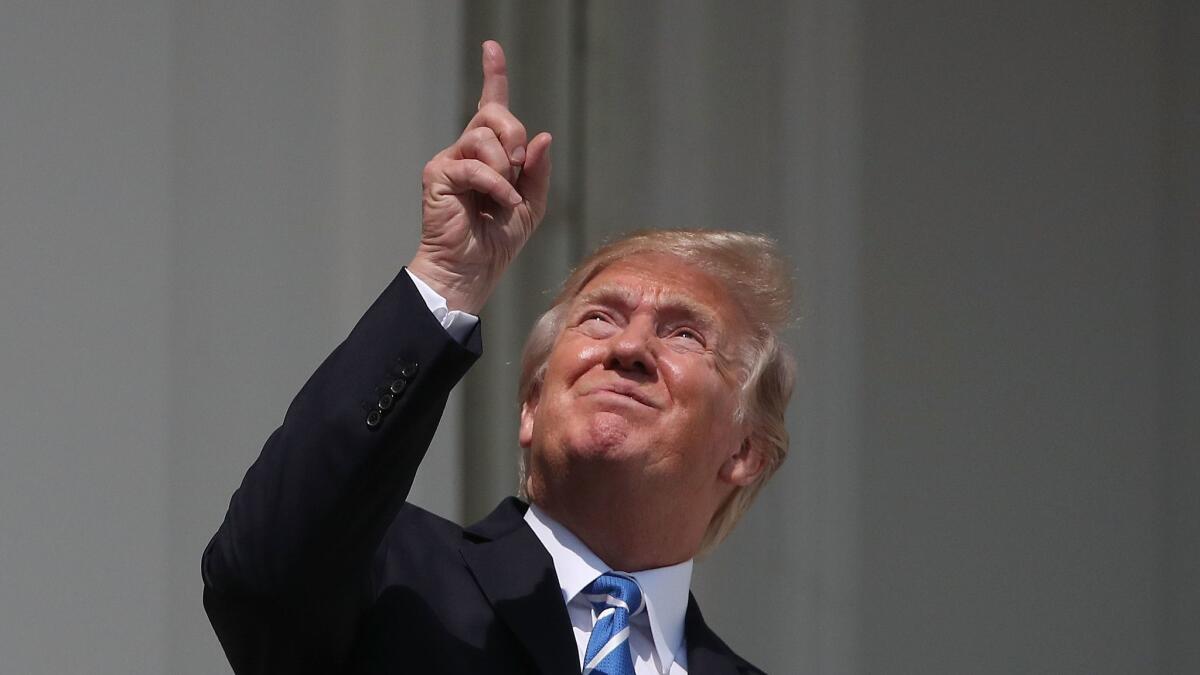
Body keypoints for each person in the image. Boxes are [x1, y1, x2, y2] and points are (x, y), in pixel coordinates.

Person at [203, 40, 794, 675]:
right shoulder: (392, 578)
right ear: (532, 406)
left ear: (744, 452)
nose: (628, 349)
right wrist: (447, 277)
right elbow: (260, 574)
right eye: (599, 318)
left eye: (684, 335)